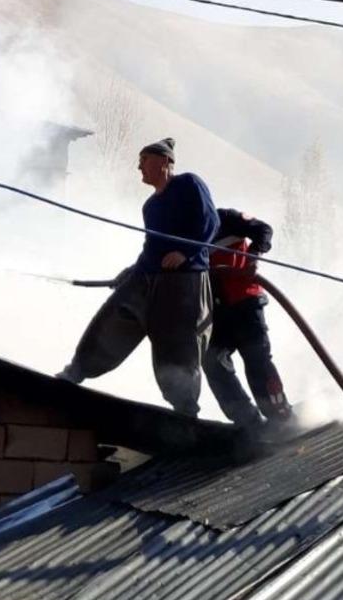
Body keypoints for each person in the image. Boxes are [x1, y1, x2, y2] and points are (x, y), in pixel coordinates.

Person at [59, 138, 217, 417]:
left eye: (144, 159)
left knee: (176, 343)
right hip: (148, 277)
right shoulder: (150, 207)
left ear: (165, 161)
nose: (139, 167)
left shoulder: (189, 184)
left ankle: (185, 409)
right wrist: (132, 271)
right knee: (116, 313)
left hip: (185, 282)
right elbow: (152, 249)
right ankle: (78, 370)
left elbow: (210, 223)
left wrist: (187, 253)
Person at [203, 208, 293, 429]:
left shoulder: (226, 219)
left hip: (245, 302)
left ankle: (280, 416)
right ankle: (247, 421)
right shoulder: (184, 233)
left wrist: (253, 254)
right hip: (216, 312)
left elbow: (263, 230)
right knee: (213, 361)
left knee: (257, 359)